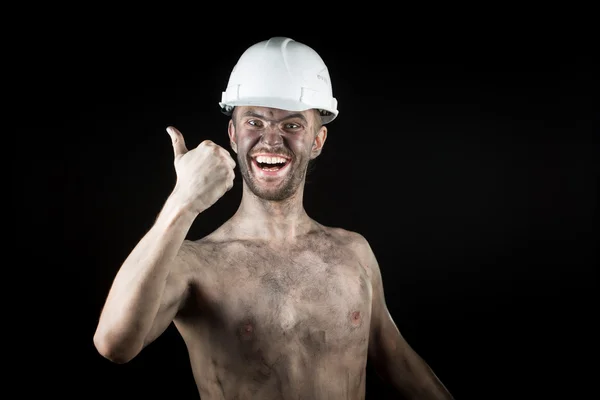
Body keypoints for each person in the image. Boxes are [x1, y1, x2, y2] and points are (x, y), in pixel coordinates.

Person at [93, 36, 454, 399]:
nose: (271, 141)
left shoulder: (354, 253)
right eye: (255, 122)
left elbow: (396, 360)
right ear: (233, 134)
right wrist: (182, 203)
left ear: (317, 141)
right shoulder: (194, 265)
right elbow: (114, 344)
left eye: (292, 125)